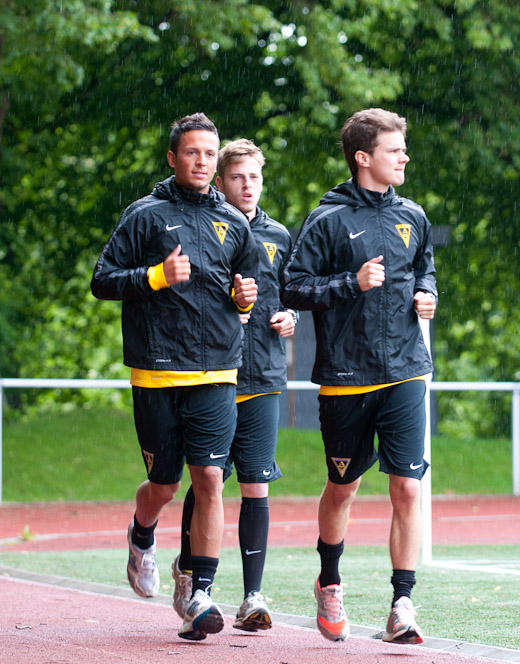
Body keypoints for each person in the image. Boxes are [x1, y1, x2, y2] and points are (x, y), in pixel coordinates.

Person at [90, 113, 258, 641]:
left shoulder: (234, 222)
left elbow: (243, 289)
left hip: (217, 371)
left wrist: (244, 299)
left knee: (209, 479)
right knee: (164, 485)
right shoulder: (145, 215)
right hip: (158, 373)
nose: (201, 161)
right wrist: (155, 276)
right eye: (191, 152)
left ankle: (200, 590)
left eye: (209, 153)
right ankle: (142, 534)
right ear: (173, 157)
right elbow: (102, 280)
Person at [281, 108, 437, 645]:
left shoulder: (413, 215)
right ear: (364, 157)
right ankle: (329, 580)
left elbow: (424, 267)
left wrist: (427, 293)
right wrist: (351, 282)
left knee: (408, 487)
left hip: (406, 370)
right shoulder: (327, 219)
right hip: (347, 377)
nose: (405, 157)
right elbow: (293, 288)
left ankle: (402, 604)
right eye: (396, 150)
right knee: (343, 487)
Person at [171, 139, 295, 633]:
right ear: (220, 182)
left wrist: (290, 316)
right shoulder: (205, 228)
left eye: (255, 178)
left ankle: (252, 597)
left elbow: (289, 292)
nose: (248, 186)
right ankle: (192, 579)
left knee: (255, 482)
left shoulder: (278, 235)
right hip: (214, 374)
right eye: (238, 177)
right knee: (208, 479)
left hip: (263, 375)